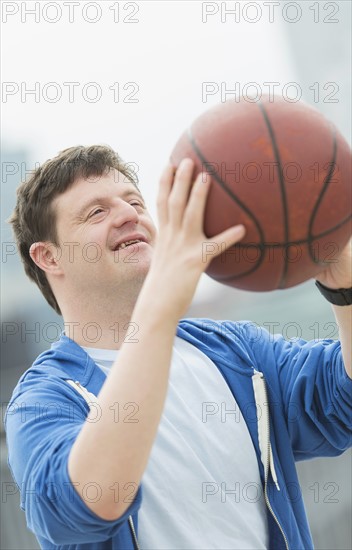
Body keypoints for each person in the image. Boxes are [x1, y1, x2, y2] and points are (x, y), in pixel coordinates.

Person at [5, 145, 352, 550]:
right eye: (97, 212)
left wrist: (344, 289)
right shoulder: (42, 400)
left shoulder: (234, 350)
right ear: (48, 256)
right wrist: (162, 302)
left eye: (134, 202)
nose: (129, 214)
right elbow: (88, 503)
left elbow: (342, 400)